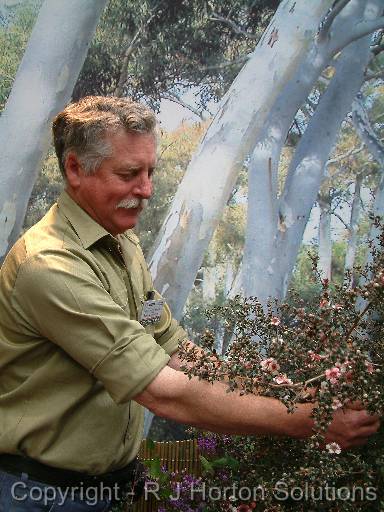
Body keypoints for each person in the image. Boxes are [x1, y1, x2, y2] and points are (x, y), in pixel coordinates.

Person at [0, 96, 379, 511]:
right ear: (75, 168)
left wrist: (289, 395)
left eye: (149, 172)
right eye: (129, 174)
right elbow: (165, 394)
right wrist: (310, 421)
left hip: (103, 490)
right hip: (39, 494)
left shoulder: (121, 242)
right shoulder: (50, 264)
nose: (145, 190)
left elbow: (178, 351)